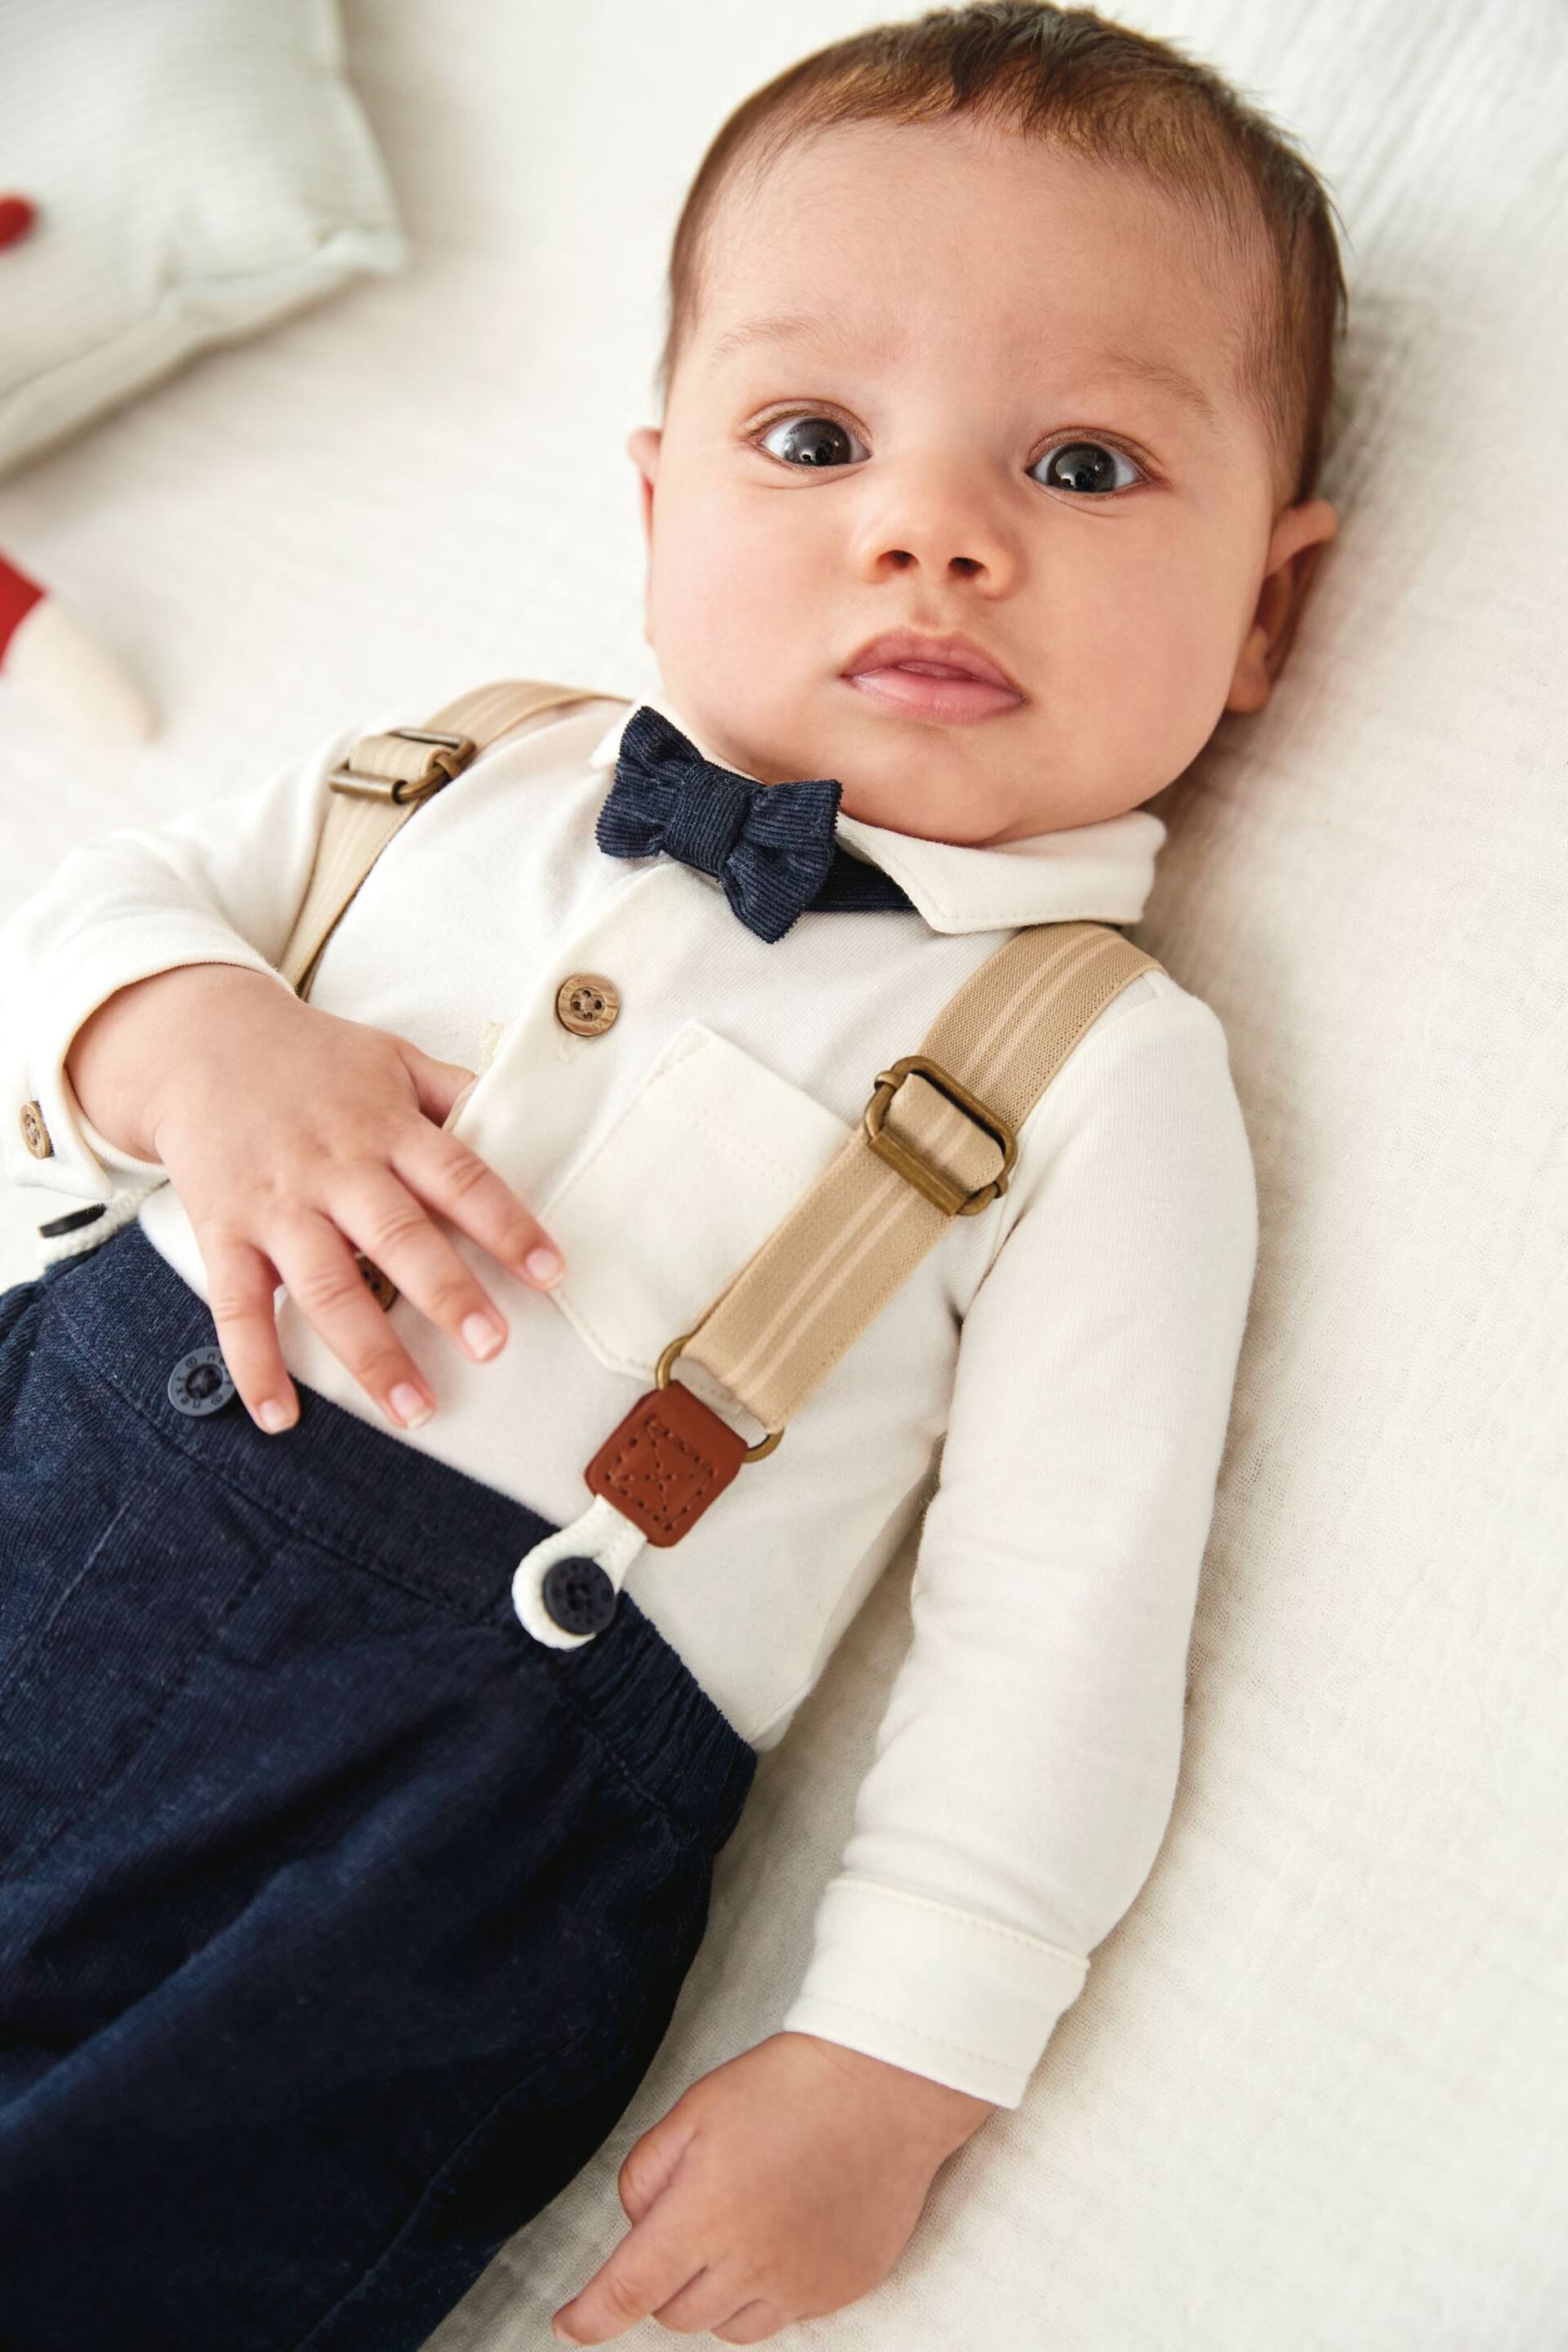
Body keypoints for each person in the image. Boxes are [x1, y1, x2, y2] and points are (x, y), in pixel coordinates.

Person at [0, 3, 1345, 2343]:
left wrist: (900, 2067)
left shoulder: (1105, 1077)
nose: (930, 528)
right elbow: (94, 918)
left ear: (1270, 611)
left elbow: (1067, 1621)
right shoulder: (462, 769)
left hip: (422, 1828)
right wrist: (195, 1040)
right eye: (812, 438)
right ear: (651, 511)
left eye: (1090, 466)